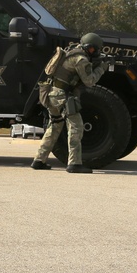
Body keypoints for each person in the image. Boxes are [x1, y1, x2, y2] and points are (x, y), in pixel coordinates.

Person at [29, 33, 108, 173]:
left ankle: (39, 160)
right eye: (93, 50)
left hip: (51, 94)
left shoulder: (70, 52)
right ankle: (74, 163)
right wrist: (101, 68)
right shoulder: (80, 59)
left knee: (54, 127)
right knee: (76, 127)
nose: (94, 52)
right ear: (88, 47)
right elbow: (89, 81)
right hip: (62, 96)